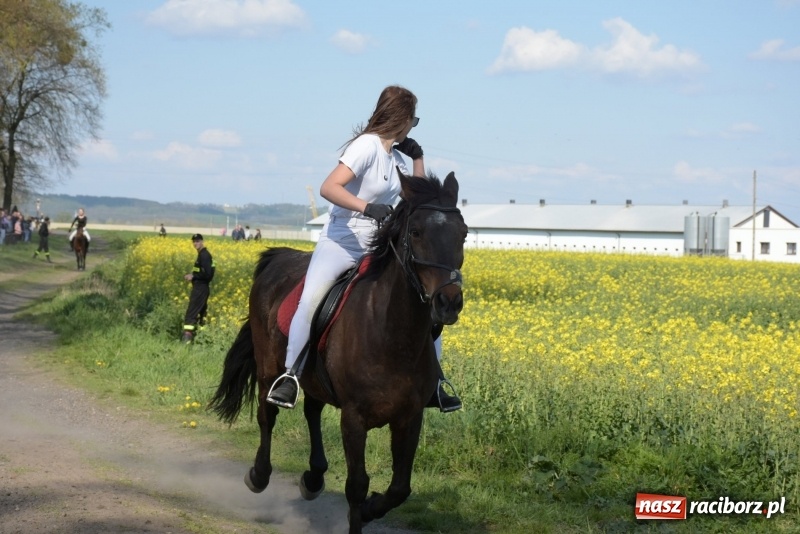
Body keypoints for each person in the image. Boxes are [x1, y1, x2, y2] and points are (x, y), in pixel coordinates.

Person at [267, 85, 462, 412]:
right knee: (311, 301)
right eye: (413, 120)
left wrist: (418, 158)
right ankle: (291, 376)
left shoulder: (395, 157)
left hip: (375, 247)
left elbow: (419, 199)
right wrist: (365, 207)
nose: (412, 126)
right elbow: (329, 187)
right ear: (400, 118)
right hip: (341, 242)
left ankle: (435, 382)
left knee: (424, 306)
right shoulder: (366, 147)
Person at [181, 234, 215, 343]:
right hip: (200, 288)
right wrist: (192, 275)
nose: (195, 243)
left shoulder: (205, 255)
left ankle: (186, 341)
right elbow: (203, 272)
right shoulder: (201, 254)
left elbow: (208, 274)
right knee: (202, 314)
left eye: (197, 241)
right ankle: (202, 339)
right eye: (194, 241)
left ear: (202, 241)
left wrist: (193, 276)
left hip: (200, 289)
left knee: (191, 313)